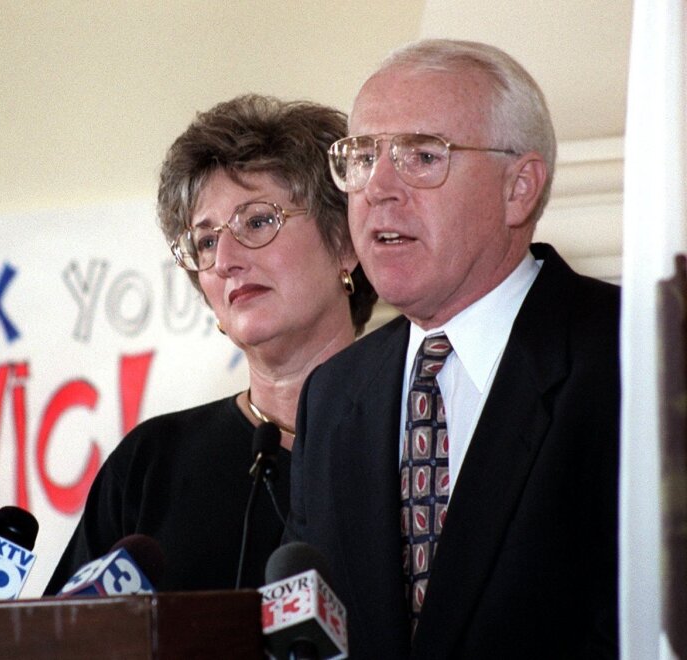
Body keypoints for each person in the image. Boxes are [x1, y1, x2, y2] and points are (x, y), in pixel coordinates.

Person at [287, 39, 619, 658]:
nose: (378, 187)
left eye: (421, 155)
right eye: (362, 156)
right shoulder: (333, 396)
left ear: (519, 188)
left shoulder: (633, 357)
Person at [45, 94, 376, 594]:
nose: (224, 259)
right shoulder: (149, 465)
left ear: (346, 243)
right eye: (204, 241)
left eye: (258, 221)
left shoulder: (417, 439)